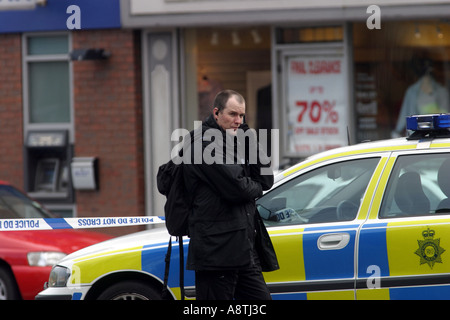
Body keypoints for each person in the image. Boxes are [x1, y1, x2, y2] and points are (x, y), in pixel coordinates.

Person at [183, 89, 279, 300]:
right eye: (233, 114)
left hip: (243, 247)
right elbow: (239, 189)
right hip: (216, 251)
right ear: (216, 113)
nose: (238, 120)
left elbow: (266, 179)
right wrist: (254, 188)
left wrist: (249, 137)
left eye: (242, 116)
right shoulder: (202, 145)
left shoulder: (237, 139)